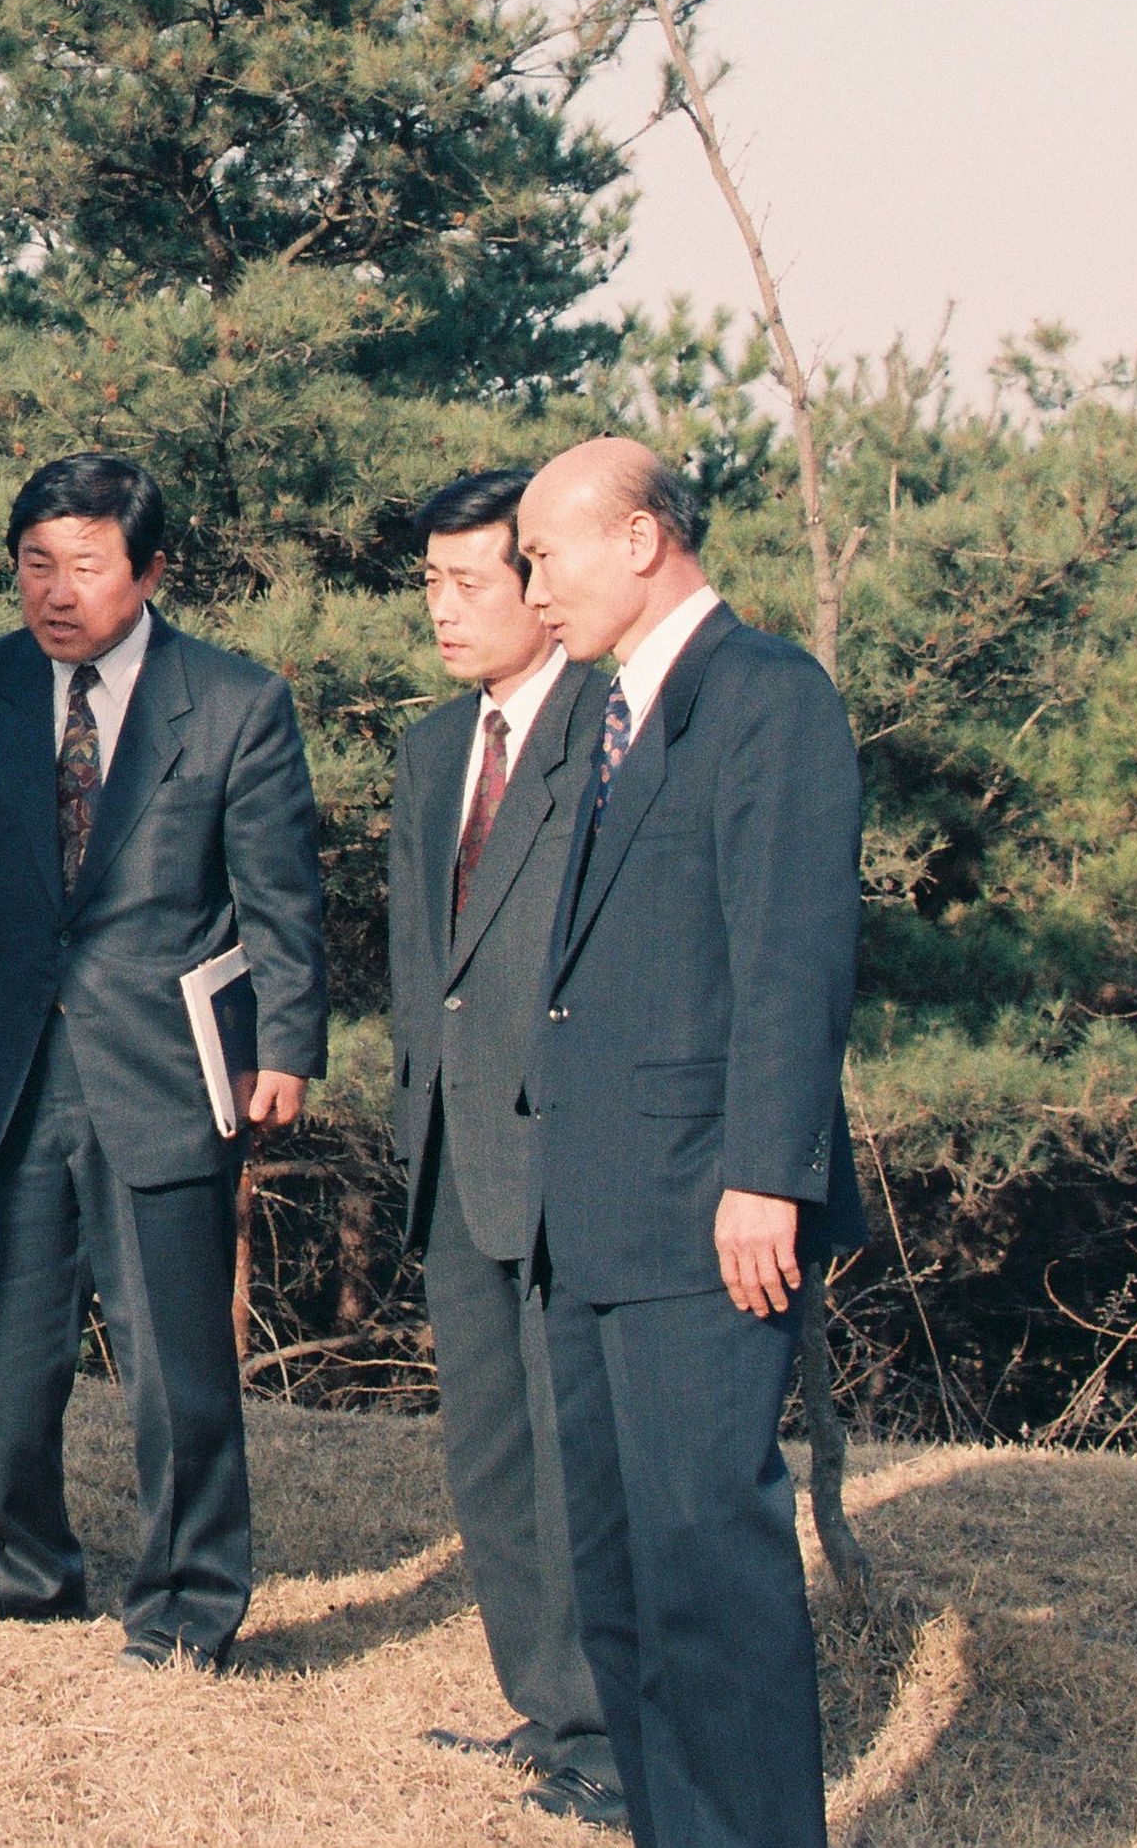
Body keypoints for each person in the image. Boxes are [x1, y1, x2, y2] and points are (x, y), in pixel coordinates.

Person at [0, 452, 326, 1669]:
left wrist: (286, 1045)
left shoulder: (233, 700)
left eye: (85, 564)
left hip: (164, 1072)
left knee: (174, 1362)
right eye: (35, 562)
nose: (56, 590)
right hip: (3, 1069)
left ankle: (188, 1608)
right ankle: (22, 1570)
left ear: (145, 570)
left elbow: (281, 898)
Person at [513, 437, 869, 1848]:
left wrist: (769, 1172)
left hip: (708, 1212)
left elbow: (791, 955)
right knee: (623, 1579)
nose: (531, 585)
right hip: (592, 1213)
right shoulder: (612, 713)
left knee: (707, 1572)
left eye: (546, 552)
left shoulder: (766, 696)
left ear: (645, 538)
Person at [384, 468, 624, 1830]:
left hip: (573, 1154)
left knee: (572, 1445)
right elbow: (430, 963)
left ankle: (608, 1728)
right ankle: (546, 1703)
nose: (444, 607)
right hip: (448, 1152)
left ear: (541, 587)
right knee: (489, 1449)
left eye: (469, 580)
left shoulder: (613, 731)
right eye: (430, 581)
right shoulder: (432, 749)